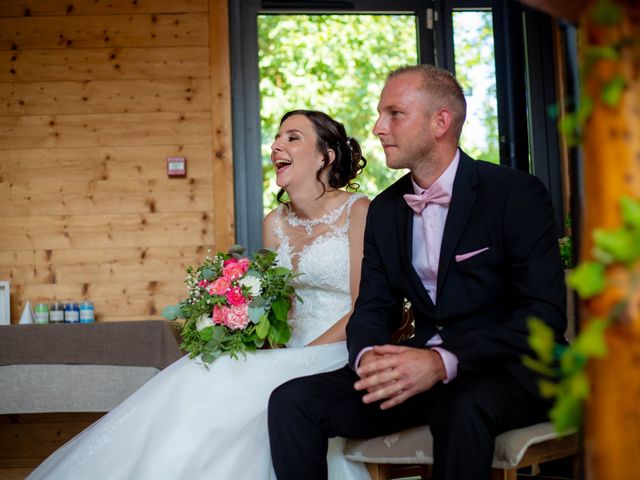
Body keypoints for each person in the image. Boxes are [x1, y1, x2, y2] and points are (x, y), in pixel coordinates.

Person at [28, 110, 371, 480]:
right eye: (276, 138)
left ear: (326, 155)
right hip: (288, 350)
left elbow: (363, 307)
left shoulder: (358, 211)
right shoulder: (275, 223)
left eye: (292, 137)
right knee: (204, 371)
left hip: (339, 348)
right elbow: (277, 307)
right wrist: (243, 324)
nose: (275, 146)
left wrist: (302, 356)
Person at [268, 65, 568, 480]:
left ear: (439, 122)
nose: (377, 128)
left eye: (394, 114)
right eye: (379, 114)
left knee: (461, 405)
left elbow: (544, 316)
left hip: (512, 368)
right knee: (292, 400)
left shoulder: (515, 193)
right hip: (419, 371)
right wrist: (370, 356)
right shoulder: (387, 210)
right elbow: (373, 307)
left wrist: (442, 360)